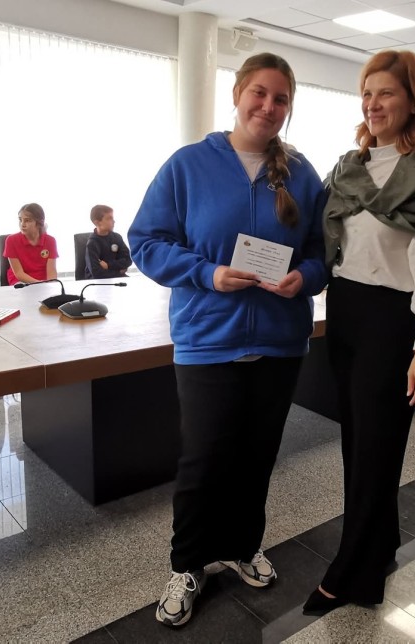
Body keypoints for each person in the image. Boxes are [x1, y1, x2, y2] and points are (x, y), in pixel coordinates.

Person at [128, 52, 327, 628]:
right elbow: (146, 242)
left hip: (280, 342)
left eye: (281, 98)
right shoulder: (188, 165)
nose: (268, 106)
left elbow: (322, 252)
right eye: (259, 93)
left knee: (258, 455)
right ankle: (187, 565)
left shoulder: (302, 173)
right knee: (204, 460)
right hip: (207, 339)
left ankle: (243, 546)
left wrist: (306, 278)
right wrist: (207, 273)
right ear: (238, 94)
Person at [303, 50, 415, 617]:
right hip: (346, 311)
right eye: (367, 93)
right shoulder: (349, 168)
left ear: (413, 101)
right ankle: (381, 541)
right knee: (359, 443)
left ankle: (352, 571)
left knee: (376, 448)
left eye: (386, 93)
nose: (373, 104)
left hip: (393, 322)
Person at [4, 203, 58, 285]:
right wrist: (39, 284)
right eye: (20, 220)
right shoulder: (11, 240)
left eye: (27, 220)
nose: (22, 224)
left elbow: (52, 273)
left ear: (39, 223)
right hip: (20, 281)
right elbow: (19, 273)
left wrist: (51, 285)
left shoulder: (50, 241)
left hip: (43, 282)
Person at [85, 204, 132, 279]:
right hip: (97, 281)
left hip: (117, 278)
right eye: (109, 218)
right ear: (97, 223)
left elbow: (128, 260)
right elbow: (96, 272)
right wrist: (118, 272)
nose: (113, 221)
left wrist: (108, 265)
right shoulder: (92, 243)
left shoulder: (117, 237)